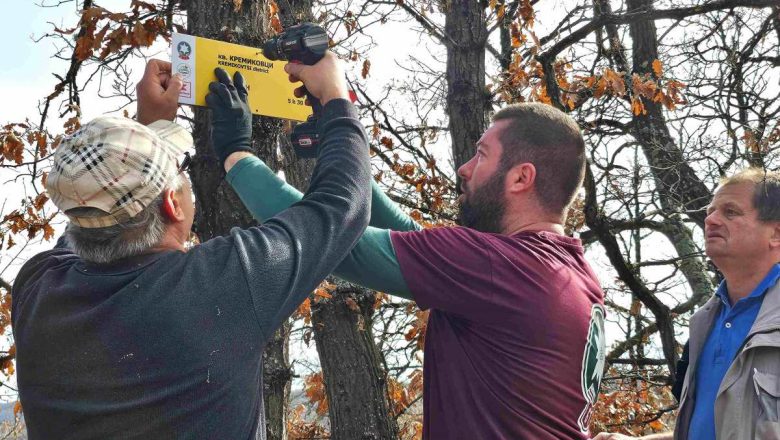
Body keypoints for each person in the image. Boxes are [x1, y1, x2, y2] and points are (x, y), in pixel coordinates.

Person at [11, 52, 371, 439]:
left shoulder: (38, 288)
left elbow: (94, 208)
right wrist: (336, 96)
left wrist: (153, 127)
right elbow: (340, 206)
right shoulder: (220, 285)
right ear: (172, 203)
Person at [224, 96, 607, 438]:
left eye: (481, 155)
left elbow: (329, 239)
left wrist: (236, 154)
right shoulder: (573, 275)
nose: (465, 168)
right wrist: (341, 150)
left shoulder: (502, 267)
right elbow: (412, 238)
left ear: (522, 177)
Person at [594, 168, 780, 440]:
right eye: (710, 212)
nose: (711, 220)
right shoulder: (705, 322)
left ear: (776, 233)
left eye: (730, 212)